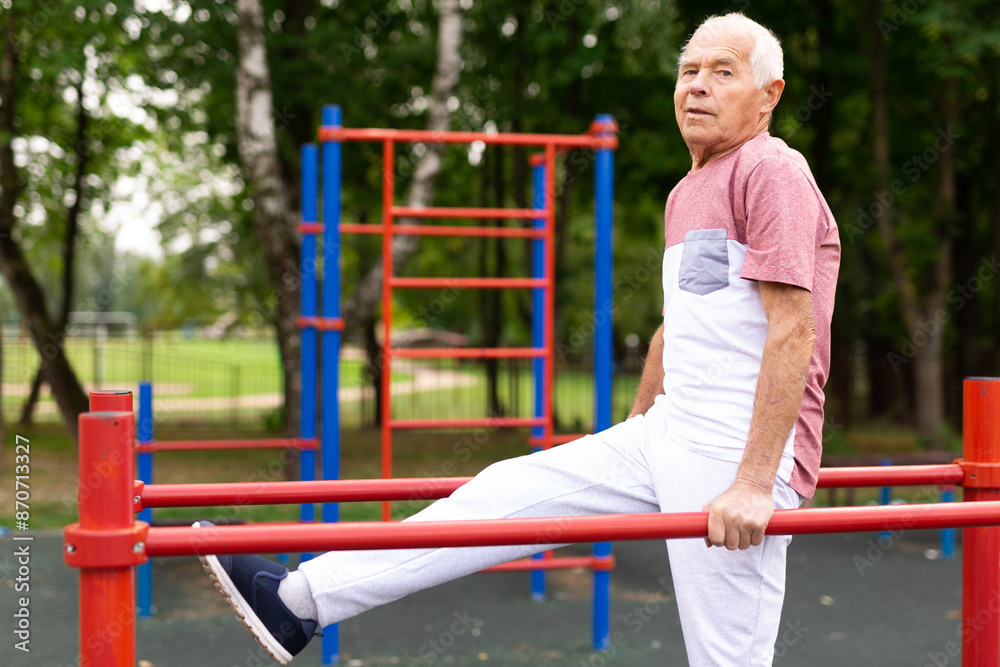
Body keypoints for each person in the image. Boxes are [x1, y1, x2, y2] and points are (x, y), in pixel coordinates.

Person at [199, 12, 840, 666]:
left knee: (726, 655)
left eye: (722, 72)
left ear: (770, 95)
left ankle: (302, 599)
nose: (697, 86)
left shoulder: (771, 169)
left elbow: (794, 327)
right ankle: (299, 600)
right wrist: (637, 436)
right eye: (689, 71)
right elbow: (682, 328)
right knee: (500, 497)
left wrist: (756, 483)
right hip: (671, 429)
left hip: (737, 446)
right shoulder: (689, 192)